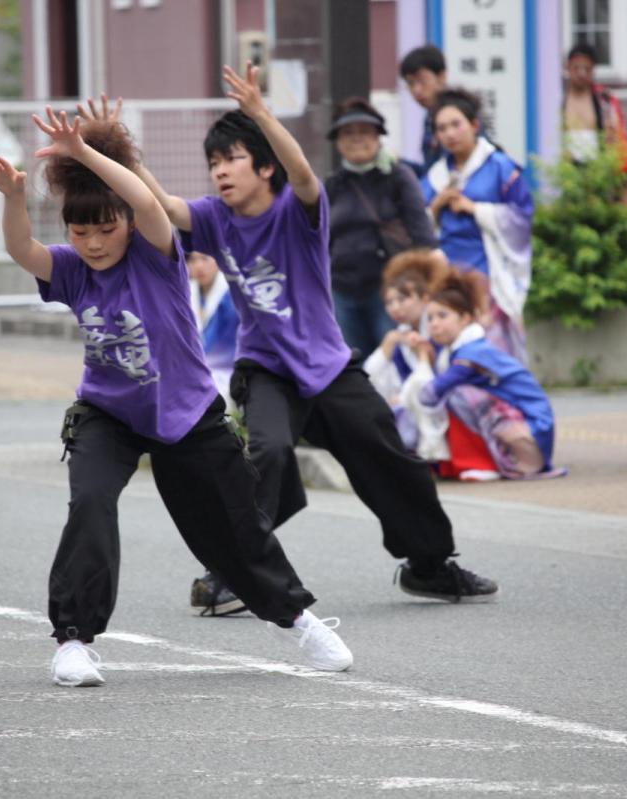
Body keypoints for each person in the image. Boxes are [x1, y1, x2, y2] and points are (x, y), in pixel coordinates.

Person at [0, 107, 353, 686]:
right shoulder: (72, 269)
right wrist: (13, 198)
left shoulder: (156, 255)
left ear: (128, 223)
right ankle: (73, 640)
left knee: (234, 526)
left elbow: (148, 203)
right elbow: (23, 248)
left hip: (186, 413)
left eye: (106, 229)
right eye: (80, 232)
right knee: (90, 503)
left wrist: (83, 152)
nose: (94, 243)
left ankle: (295, 619)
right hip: (107, 413)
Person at [125, 66, 499, 611]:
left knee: (387, 454)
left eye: (231, 159)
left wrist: (259, 112)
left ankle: (429, 566)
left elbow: (301, 172)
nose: (220, 171)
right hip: (265, 368)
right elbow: (163, 205)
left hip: (328, 365)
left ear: (264, 166)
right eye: (213, 163)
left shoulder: (298, 212)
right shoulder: (214, 218)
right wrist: (124, 154)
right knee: (268, 453)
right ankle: (234, 570)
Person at [407, 271, 560, 481]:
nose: (433, 324)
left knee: (457, 395)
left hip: (531, 433)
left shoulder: (472, 354)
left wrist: (423, 359)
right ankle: (458, 463)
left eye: (442, 316)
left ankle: (481, 464)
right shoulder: (462, 349)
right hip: (527, 428)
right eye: (430, 318)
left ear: (465, 319)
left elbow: (429, 395)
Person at [419, 88, 533, 363]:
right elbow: (416, 226)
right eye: (441, 128)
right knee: (449, 350)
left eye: (456, 124)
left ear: (474, 125)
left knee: (490, 352)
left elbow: (523, 216)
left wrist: (476, 209)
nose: (449, 134)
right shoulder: (435, 177)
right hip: (447, 276)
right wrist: (436, 206)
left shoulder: (500, 167)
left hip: (488, 274)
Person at [325, 97, 437, 359]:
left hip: (390, 293)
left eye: (364, 131)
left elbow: (423, 235)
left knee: (394, 359)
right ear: (338, 141)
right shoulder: (332, 185)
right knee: (353, 364)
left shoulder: (397, 177)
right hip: (341, 290)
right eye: (348, 133)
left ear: (378, 137)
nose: (356, 139)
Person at [363, 248, 449, 454]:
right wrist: (387, 344)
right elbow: (370, 378)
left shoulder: (439, 328)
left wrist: (423, 355)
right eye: (389, 302)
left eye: (402, 299)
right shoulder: (400, 336)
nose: (395, 308)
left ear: (425, 298)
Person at [562, 43, 627, 167]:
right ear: (567, 67)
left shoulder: (605, 101)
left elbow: (618, 140)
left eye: (587, 69)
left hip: (597, 168)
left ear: (593, 69)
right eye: (576, 68)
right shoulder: (557, 99)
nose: (582, 73)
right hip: (564, 167)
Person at [187, 250, 238, 404]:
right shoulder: (186, 293)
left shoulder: (232, 294)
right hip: (196, 369)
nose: (198, 266)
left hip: (228, 370)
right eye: (193, 260)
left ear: (217, 261)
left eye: (204, 258)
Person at [398, 45, 448, 178]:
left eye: (422, 81)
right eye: (410, 83)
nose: (416, 90)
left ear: (441, 76)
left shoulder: (458, 113)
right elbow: (430, 175)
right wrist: (396, 164)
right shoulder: (430, 117)